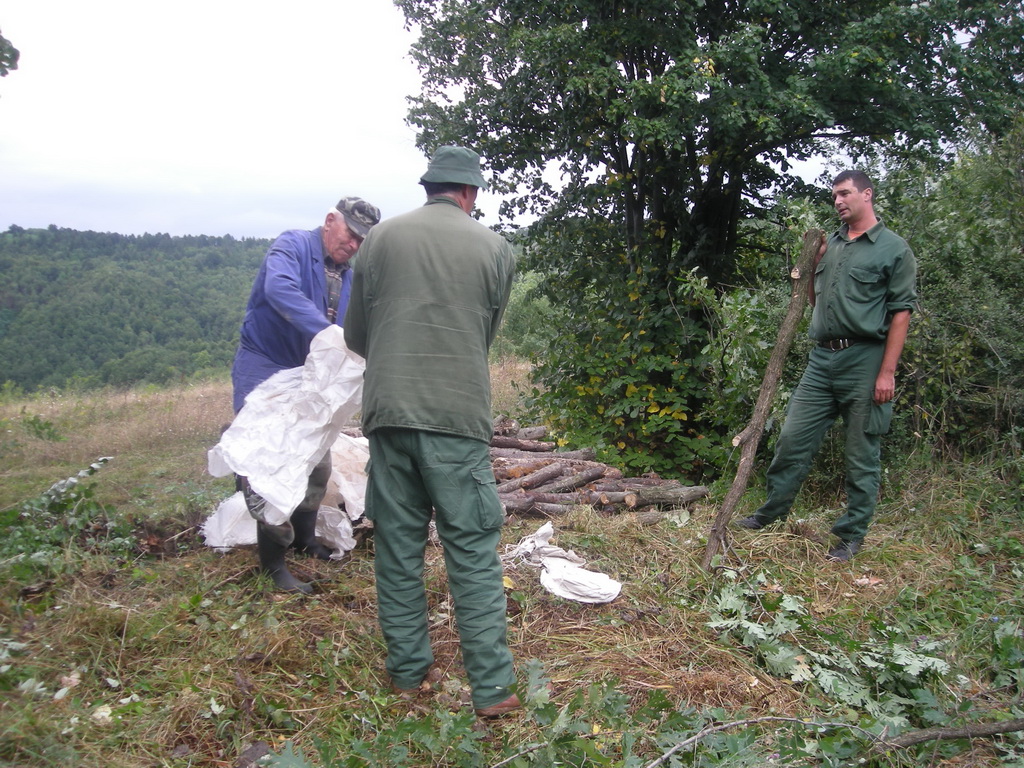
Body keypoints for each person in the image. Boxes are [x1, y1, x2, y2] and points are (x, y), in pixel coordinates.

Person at [344, 146, 520, 717]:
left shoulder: (379, 240)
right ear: (469, 194)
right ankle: (492, 690)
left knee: (397, 547)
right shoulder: (496, 249)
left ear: (430, 187)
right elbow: (484, 333)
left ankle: (406, 674)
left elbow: (356, 336)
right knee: (470, 547)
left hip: (389, 413)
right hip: (458, 417)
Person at [736, 170, 918, 561]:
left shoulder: (893, 249)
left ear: (867, 195)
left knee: (860, 452)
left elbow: (901, 314)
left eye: (845, 193)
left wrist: (887, 372)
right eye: (834, 195)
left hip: (865, 359)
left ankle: (850, 536)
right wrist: (812, 265)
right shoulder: (828, 246)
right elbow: (818, 301)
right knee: (791, 437)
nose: (838, 201)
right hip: (822, 359)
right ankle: (771, 513)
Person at [231, 196, 381, 593]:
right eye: (350, 234)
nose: (353, 245)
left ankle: (304, 540)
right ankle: (273, 566)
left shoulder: (348, 276)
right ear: (331, 221)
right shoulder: (293, 245)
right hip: (265, 363)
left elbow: (356, 326)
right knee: (269, 461)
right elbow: (278, 290)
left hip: (308, 371)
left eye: (361, 241)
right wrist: (327, 333)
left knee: (316, 460)